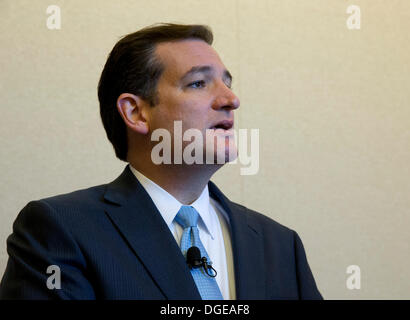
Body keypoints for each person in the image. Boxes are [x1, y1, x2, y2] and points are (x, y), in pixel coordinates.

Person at [0, 23, 322, 300]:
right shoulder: (58, 231)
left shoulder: (281, 246)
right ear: (136, 112)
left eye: (228, 82)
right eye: (198, 83)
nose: (230, 100)